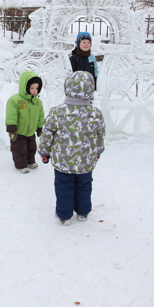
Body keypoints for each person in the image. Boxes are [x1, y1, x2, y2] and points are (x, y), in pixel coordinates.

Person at [39, 71, 105, 225]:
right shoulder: (95, 113)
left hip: (63, 162)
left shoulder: (57, 112)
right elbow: (100, 134)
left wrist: (44, 151)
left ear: (67, 87)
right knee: (84, 186)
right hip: (86, 161)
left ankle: (64, 215)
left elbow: (47, 133)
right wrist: (98, 151)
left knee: (64, 187)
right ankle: (82, 212)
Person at [5, 71, 45, 173]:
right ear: (25, 87)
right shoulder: (15, 100)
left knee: (32, 148)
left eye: (37, 88)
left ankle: (30, 161)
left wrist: (40, 127)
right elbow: (11, 116)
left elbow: (40, 115)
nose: (35, 91)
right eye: (32, 88)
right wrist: (12, 129)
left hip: (31, 131)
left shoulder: (37, 102)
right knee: (19, 149)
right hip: (19, 132)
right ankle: (21, 165)